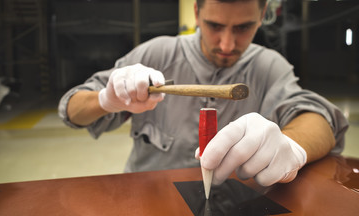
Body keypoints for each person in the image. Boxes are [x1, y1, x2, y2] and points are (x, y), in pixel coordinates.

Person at [58, 0, 348, 187]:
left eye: (243, 27)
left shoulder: (269, 67)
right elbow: (71, 110)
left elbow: (318, 118)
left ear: (261, 17)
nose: (226, 44)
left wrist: (292, 146)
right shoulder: (155, 53)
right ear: (197, 13)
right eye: (215, 26)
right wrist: (105, 100)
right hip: (147, 205)